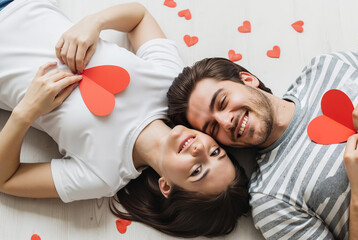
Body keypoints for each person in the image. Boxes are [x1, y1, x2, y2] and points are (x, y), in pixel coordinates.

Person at [0, 0, 250, 238]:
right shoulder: (173, 87)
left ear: (167, 187)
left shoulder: (102, 176)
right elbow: (139, 17)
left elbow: (6, 179)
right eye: (216, 152)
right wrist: (94, 22)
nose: (199, 149)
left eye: (197, 170)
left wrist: (26, 112)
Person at [167, 50, 358, 239]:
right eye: (213, 128)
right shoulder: (269, 199)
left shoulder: (327, 67)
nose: (226, 122)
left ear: (247, 79)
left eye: (222, 102)